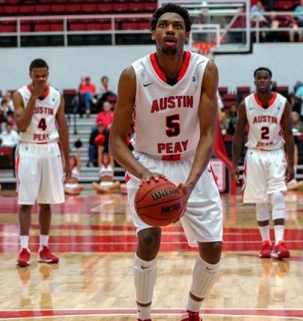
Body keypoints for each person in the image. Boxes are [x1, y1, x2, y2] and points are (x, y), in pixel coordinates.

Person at [108, 4, 223, 321]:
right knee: (148, 239)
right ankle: (143, 315)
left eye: (176, 25)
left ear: (187, 34)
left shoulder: (205, 69)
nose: (170, 29)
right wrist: (146, 176)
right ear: (153, 33)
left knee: (213, 248)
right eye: (163, 25)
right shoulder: (133, 74)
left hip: (190, 161)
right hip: (147, 162)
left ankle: (192, 311)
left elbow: (209, 132)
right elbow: (116, 141)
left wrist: (189, 184)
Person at [231, 67, 295, 260]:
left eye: (265, 78)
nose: (262, 81)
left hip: (275, 153)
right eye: (259, 78)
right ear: (255, 81)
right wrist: (235, 164)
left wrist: (291, 164)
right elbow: (237, 136)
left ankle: (280, 242)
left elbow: (290, 135)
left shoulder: (283, 103)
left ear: (271, 81)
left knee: (277, 196)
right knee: (260, 200)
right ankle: (266, 243)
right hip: (254, 154)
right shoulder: (246, 104)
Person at [13, 58, 71, 268]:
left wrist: (67, 157)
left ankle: (44, 248)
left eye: (44, 75)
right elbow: (21, 125)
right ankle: (24, 248)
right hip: (28, 148)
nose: (41, 79)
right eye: (37, 75)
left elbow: (62, 127)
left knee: (46, 202)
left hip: (50, 148)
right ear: (30, 75)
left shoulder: (56, 96)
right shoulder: (20, 95)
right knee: (26, 201)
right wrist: (33, 100)